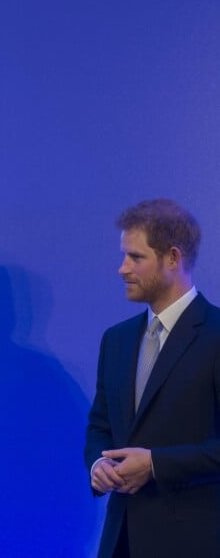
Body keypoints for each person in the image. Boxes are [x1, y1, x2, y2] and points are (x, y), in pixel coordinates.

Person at [85, 198, 220, 557]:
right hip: (121, 541)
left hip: (195, 542)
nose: (122, 269)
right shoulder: (116, 339)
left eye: (135, 257)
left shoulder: (217, 335)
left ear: (173, 259)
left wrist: (156, 464)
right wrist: (98, 465)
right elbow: (100, 425)